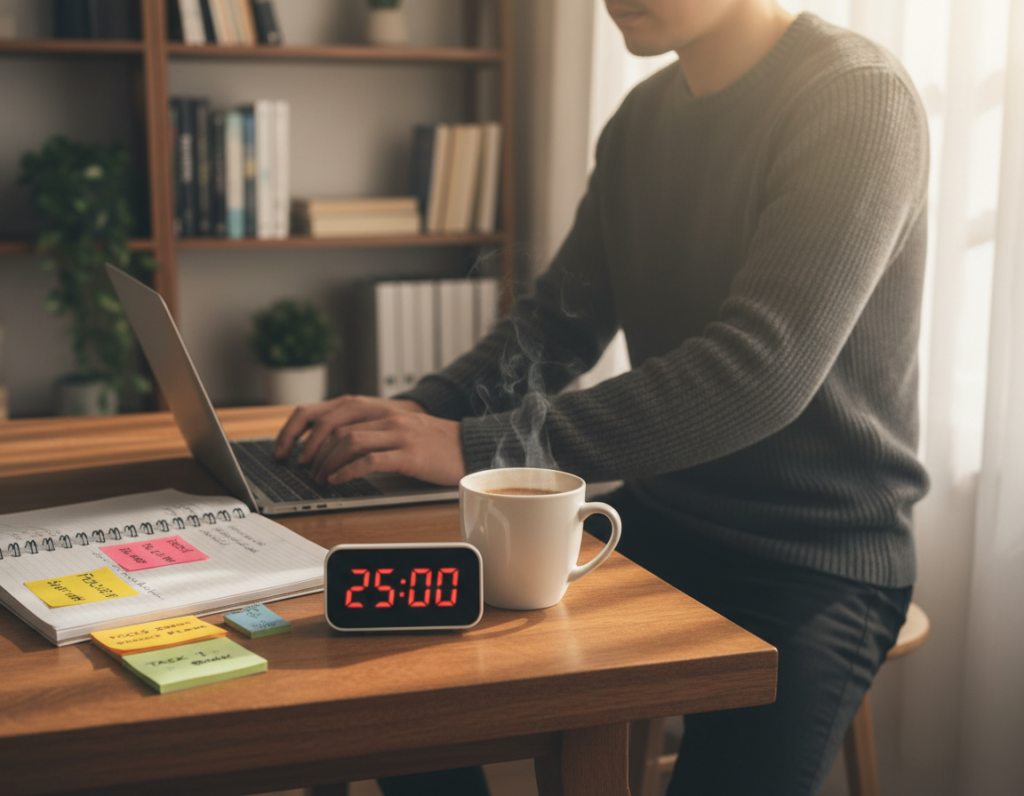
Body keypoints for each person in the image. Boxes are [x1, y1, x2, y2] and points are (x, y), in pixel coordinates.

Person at [281, 0, 931, 793]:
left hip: (815, 562)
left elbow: (761, 372)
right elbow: (560, 323)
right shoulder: (641, 120)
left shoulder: (858, 99)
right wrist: (415, 416)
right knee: (393, 677)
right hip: (665, 522)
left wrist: (467, 448)